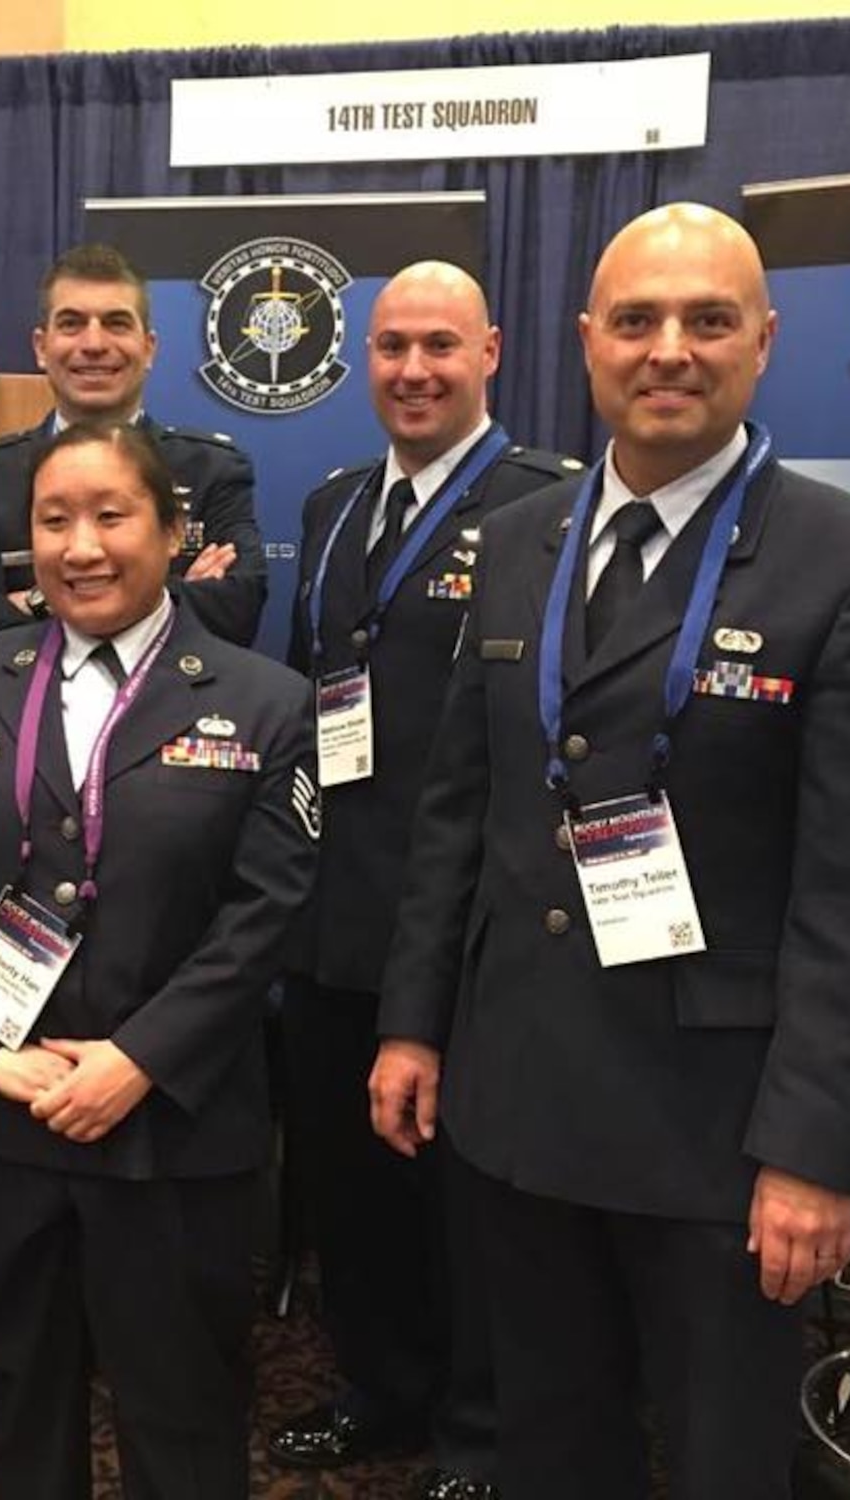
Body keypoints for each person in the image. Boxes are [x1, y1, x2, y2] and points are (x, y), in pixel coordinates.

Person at [368, 204, 850, 1500]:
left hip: (721, 1127)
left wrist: (816, 1150)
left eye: (707, 320)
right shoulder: (517, 543)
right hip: (520, 1092)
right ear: (586, 342)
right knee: (551, 1444)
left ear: (764, 342)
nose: (668, 349)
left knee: (718, 1461)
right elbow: (461, 806)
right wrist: (413, 1026)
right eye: (637, 320)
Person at [0, 422, 319, 1499]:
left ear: (174, 533)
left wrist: (138, 1058)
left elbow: (263, 912)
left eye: (111, 515)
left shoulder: (262, 701)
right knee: (16, 1408)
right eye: (53, 520)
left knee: (182, 1414)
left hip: (168, 1126)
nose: (80, 546)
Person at [271, 262, 579, 1500]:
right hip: (331, 905)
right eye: (391, 346)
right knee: (349, 1183)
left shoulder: (543, 507)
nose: (412, 370)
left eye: (439, 346)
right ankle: (377, 1387)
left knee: (466, 1198)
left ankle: (477, 1432)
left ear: (491, 352)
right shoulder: (341, 502)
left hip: (461, 921)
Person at [0, 243, 266, 648]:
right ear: (41, 348)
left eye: (116, 323)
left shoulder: (213, 470)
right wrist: (167, 591)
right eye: (72, 323)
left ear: (148, 348)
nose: (93, 343)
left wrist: (35, 603)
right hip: (30, 707)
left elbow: (235, 611)